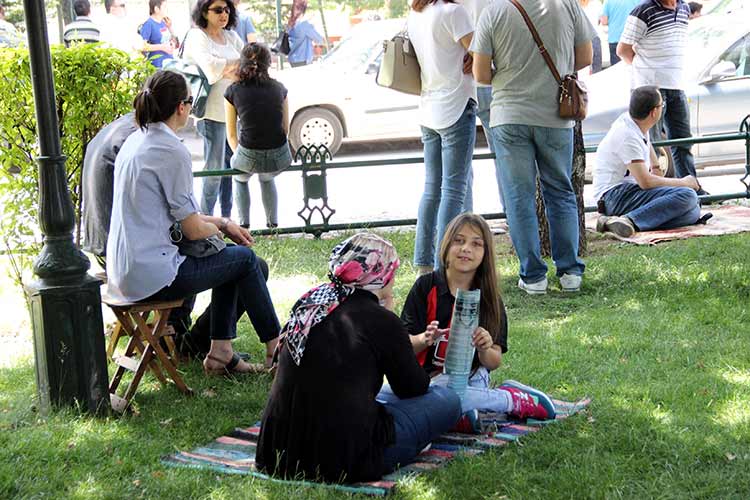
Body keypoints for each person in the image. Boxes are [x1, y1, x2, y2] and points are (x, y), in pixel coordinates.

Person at [106, 70, 281, 375]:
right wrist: (220, 230)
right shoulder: (170, 149)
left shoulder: (137, 140)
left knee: (239, 262)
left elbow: (183, 216)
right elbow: (192, 229)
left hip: (126, 272)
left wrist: (225, 224)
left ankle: (220, 354)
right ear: (182, 108)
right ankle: (276, 351)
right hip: (152, 276)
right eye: (191, 101)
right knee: (247, 260)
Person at [256, 233, 462, 483]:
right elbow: (413, 387)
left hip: (277, 452)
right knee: (448, 400)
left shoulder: (310, 304)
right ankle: (414, 444)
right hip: (345, 458)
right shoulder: (381, 319)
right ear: (380, 274)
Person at [81, 111, 270, 359]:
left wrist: (217, 224)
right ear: (178, 108)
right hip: (136, 256)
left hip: (108, 245)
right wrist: (218, 228)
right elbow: (186, 225)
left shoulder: (126, 133)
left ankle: (201, 343)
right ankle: (187, 339)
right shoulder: (152, 144)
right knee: (242, 260)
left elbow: (175, 213)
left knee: (226, 256)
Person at [471, 0, 594, 294]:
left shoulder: (494, 11)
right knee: (561, 192)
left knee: (519, 197)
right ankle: (569, 272)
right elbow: (586, 55)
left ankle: (533, 276)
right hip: (554, 115)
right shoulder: (567, 5)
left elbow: (481, 75)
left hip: (509, 115)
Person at [398, 213, 556, 431]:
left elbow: (493, 361)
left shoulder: (489, 297)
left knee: (433, 397)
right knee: (389, 396)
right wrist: (424, 339)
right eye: (459, 241)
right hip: (428, 378)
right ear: (446, 246)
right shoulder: (426, 286)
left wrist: (484, 348)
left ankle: (511, 399)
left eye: (476, 244)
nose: (466, 249)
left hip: (472, 378)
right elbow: (403, 346)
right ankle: (459, 412)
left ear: (485, 254)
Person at [408, 0, 476, 275]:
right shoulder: (454, 12)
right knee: (453, 189)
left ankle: (424, 264)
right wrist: (475, 56)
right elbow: (482, 52)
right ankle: (442, 265)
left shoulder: (416, 13)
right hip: (456, 104)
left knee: (431, 188)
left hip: (428, 106)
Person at [593, 86, 709, 237]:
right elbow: (645, 182)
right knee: (687, 196)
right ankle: (630, 220)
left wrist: (655, 166)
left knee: (692, 212)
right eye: (662, 105)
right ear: (654, 112)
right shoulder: (627, 135)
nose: (663, 108)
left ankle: (616, 223)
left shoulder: (635, 122)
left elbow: (646, 142)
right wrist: (685, 182)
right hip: (615, 196)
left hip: (627, 192)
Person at [617, 0, 703, 192]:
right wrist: (646, 70)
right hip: (650, 87)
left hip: (677, 84)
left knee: (682, 140)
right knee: (651, 143)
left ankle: (691, 187)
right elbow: (623, 50)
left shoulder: (684, 9)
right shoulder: (643, 11)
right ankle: (655, 191)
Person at [183, 0, 244, 218]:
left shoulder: (230, 36)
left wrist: (224, 67)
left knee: (229, 169)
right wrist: (230, 66)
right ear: (204, 12)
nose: (224, 14)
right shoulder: (197, 36)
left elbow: (248, 61)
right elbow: (209, 69)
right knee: (214, 171)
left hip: (233, 112)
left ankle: (226, 217)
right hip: (210, 114)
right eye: (218, 10)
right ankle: (205, 219)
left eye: (227, 10)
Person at [224, 43, 291, 229]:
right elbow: (285, 129)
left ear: (242, 63)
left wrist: (243, 156)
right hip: (280, 155)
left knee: (240, 178)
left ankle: (244, 225)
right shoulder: (280, 88)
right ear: (269, 63)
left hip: (248, 152)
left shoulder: (232, 91)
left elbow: (231, 134)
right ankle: (272, 224)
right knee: (267, 177)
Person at [459, 0, 504, 215]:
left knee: (459, 164)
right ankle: (511, 216)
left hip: (458, 79)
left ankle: (463, 223)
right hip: (489, 77)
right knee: (505, 156)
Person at [600, 0, 640, 65]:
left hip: (614, 39)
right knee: (633, 69)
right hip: (631, 40)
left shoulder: (608, 1)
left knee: (616, 71)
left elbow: (604, 21)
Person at [286, 1, 324, 67]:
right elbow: (319, 39)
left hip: (292, 59)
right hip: (303, 60)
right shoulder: (304, 24)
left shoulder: (291, 23)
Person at [140, 0, 174, 68]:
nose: (167, 9)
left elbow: (173, 42)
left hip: (168, 63)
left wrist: (170, 28)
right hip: (157, 65)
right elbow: (142, 46)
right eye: (164, 7)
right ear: (156, 9)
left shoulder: (164, 22)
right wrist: (162, 47)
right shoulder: (148, 24)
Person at [580, 0, 603, 73]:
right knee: (596, 68)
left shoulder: (574, 4)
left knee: (582, 69)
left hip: (582, 38)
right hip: (593, 37)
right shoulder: (597, 3)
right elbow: (601, 20)